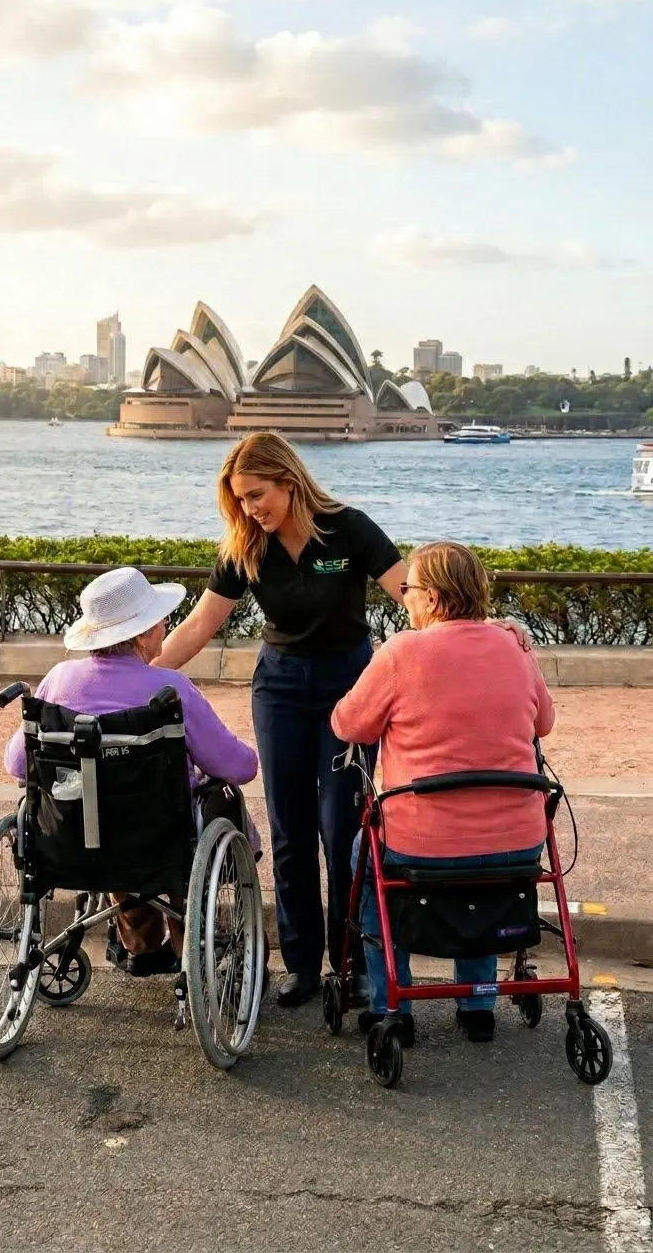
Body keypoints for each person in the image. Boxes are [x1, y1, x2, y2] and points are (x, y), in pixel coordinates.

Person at [154, 431, 408, 1007]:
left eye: (257, 495)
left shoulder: (350, 529)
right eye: (240, 499)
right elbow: (199, 626)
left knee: (342, 830)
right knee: (290, 831)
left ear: (289, 482)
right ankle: (302, 965)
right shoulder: (245, 546)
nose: (249, 509)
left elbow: (413, 595)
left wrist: (479, 627)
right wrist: (135, 674)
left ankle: (351, 964)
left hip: (350, 690)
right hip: (281, 690)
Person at [331, 541, 555, 1045]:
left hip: (423, 839)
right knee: (481, 882)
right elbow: (544, 722)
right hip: (517, 839)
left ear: (431, 598)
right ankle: (477, 1004)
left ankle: (391, 1004)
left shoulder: (402, 652)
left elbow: (349, 725)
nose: (403, 597)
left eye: (407, 588)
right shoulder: (515, 647)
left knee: (365, 862)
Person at [4, 566, 260, 975]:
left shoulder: (59, 679)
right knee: (204, 806)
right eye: (160, 621)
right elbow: (238, 767)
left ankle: (140, 941)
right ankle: (187, 943)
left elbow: (18, 762)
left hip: (70, 840)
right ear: (141, 636)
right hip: (157, 842)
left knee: (107, 816)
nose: (166, 626)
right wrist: (249, 754)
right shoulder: (170, 690)